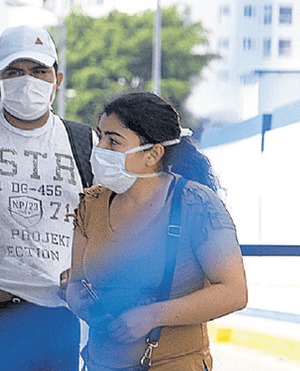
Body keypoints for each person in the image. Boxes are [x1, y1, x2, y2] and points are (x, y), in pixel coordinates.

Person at [65, 91, 248, 371]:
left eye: (113, 141)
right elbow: (77, 280)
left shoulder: (196, 204)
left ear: (153, 153)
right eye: (100, 136)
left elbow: (234, 292)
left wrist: (151, 316)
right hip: (101, 363)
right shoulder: (91, 203)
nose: (99, 148)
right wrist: (76, 297)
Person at [0, 25, 94, 371]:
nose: (27, 80)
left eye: (38, 71)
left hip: (57, 318)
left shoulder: (82, 141)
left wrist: (88, 271)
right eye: (14, 71)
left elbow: (107, 219)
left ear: (57, 79)